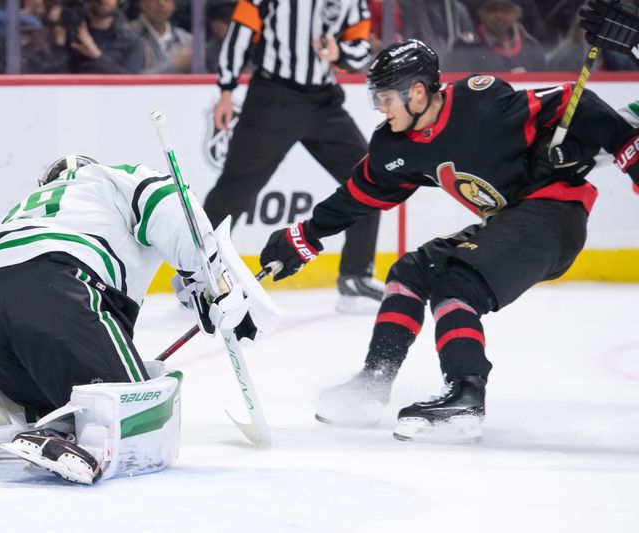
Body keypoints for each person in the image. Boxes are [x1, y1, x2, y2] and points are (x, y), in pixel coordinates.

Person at [259, 38, 639, 443]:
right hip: (510, 219)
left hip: (554, 215)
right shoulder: (395, 147)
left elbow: (573, 102)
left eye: (385, 99)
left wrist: (626, 151)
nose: (381, 109)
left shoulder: (480, 102)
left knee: (457, 284)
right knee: (411, 270)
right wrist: (306, 235)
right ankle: (374, 381)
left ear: (417, 92)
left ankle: (465, 395)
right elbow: (359, 194)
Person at [0, 155, 275, 483]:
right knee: (130, 407)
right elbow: (165, 198)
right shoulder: (108, 177)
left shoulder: (24, 208)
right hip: (57, 287)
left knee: (27, 396)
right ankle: (69, 433)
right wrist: (210, 277)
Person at [205, 0, 385, 314]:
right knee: (235, 189)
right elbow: (241, 32)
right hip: (274, 97)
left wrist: (339, 53)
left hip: (324, 101)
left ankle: (355, 276)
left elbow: (361, 46)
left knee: (370, 177)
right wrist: (225, 89)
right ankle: (198, 271)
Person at [444, 0, 546, 73]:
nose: (498, 15)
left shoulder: (531, 47)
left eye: (505, 10)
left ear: (517, 13)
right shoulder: (465, 46)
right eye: (491, 10)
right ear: (481, 13)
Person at [51, 0, 144, 73]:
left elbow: (132, 82)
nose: (103, 0)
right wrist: (59, 45)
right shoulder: (71, 30)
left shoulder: (130, 39)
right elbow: (53, 73)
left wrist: (97, 56)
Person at [132, 0, 193, 73]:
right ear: (141, 3)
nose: (161, 3)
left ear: (174, 4)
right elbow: (128, 80)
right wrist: (175, 65)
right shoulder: (126, 36)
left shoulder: (187, 39)